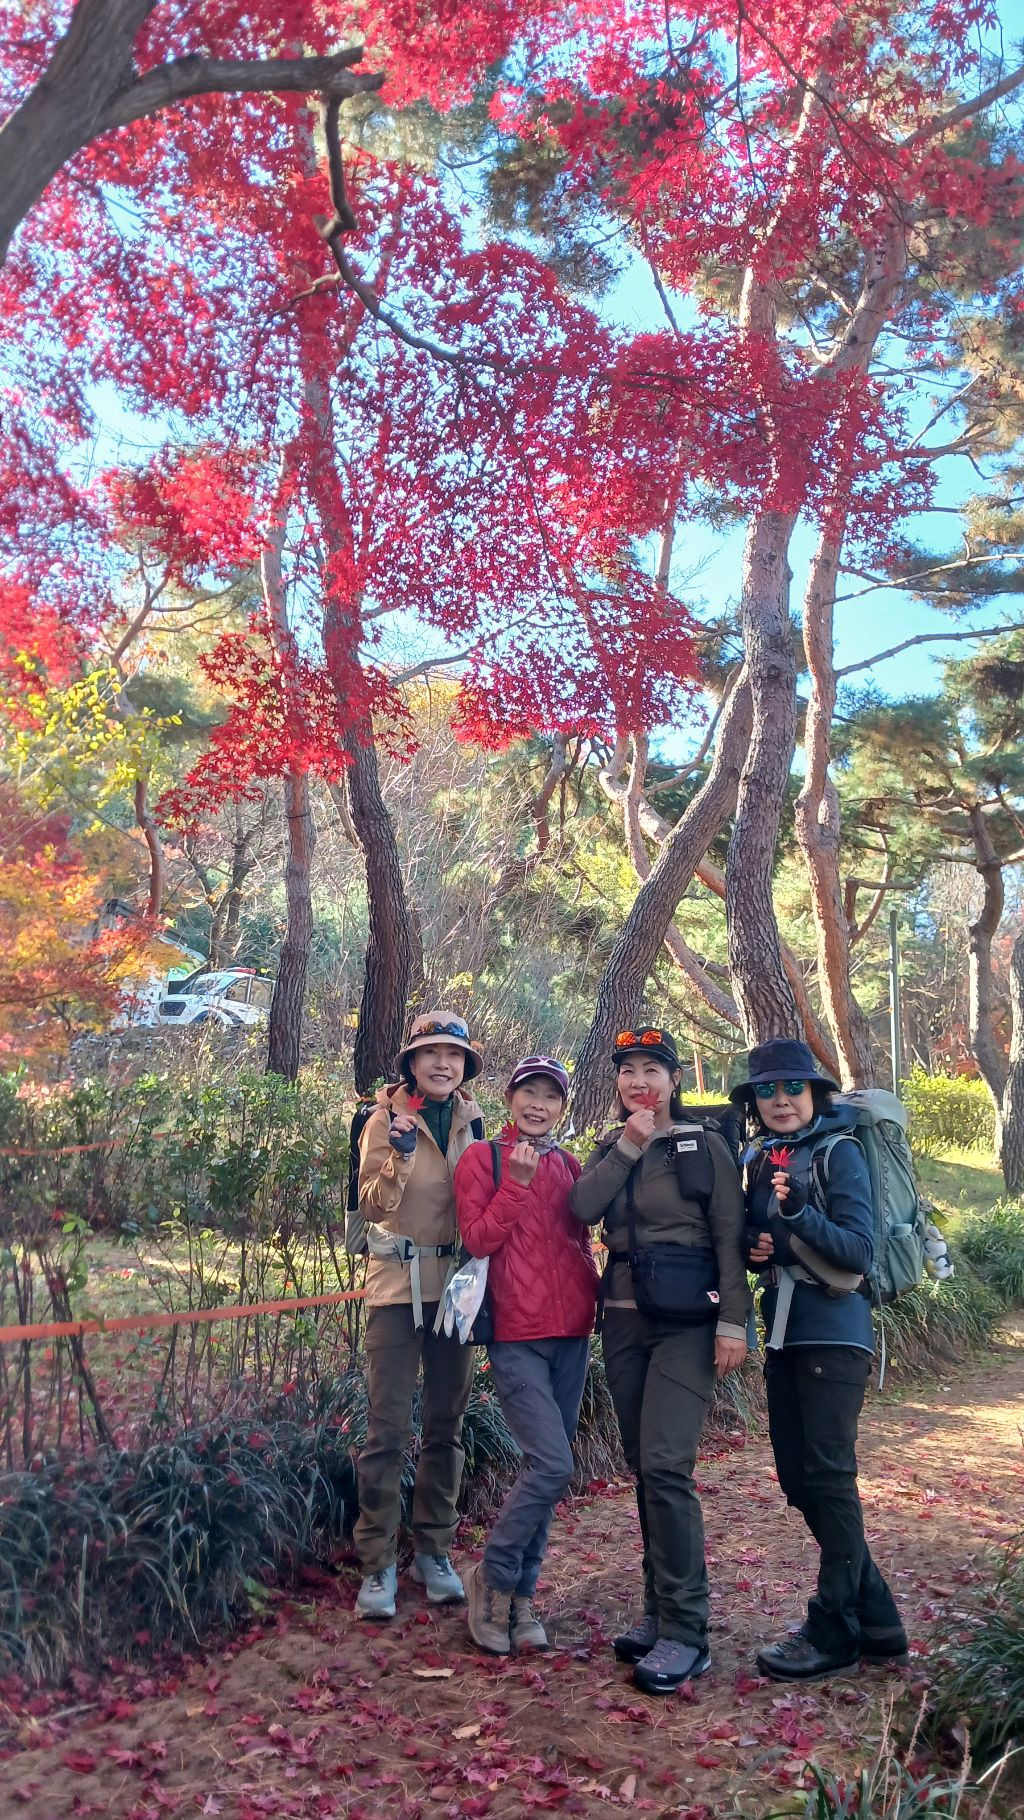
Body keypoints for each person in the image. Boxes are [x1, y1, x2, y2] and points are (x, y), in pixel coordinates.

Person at [570, 1026, 749, 1694]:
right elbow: (582, 1206)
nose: (639, 1081)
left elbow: (730, 1235)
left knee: (668, 1467)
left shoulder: (705, 1145)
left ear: (674, 1079)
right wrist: (627, 1146)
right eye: (628, 1071)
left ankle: (686, 1631)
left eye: (653, 1069)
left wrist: (734, 1322)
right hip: (623, 1320)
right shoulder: (610, 1146)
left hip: (688, 1324)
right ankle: (658, 1609)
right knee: (645, 1467)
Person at [732, 1038, 908, 1681]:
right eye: (767, 1090)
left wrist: (800, 1215)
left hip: (835, 1331)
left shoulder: (841, 1152)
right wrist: (758, 1244)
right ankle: (879, 1621)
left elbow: (858, 1252)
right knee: (800, 1480)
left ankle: (833, 1628)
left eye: (792, 1088)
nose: (780, 1100)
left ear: (815, 1094)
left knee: (828, 1477)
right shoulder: (764, 1157)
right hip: (785, 1333)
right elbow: (766, 1239)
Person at [454, 1056, 599, 1656]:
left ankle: (522, 1596)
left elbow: (579, 1238)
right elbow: (478, 1239)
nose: (539, 1105)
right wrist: (514, 1183)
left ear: (562, 1107)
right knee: (553, 1466)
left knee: (546, 1468)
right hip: (515, 1334)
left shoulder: (568, 1164)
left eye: (551, 1097)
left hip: (572, 1335)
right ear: (511, 1098)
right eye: (529, 1093)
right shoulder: (481, 1158)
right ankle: (491, 1577)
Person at [353, 1010, 485, 1620]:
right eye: (431, 1053)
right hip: (395, 1289)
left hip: (455, 1291)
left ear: (464, 1067)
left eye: (453, 1055)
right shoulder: (383, 1120)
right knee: (386, 1429)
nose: (442, 1063)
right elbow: (373, 1206)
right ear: (411, 1062)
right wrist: (400, 1156)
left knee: (445, 1424)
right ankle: (377, 1561)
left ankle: (433, 1550)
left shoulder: (471, 1120)